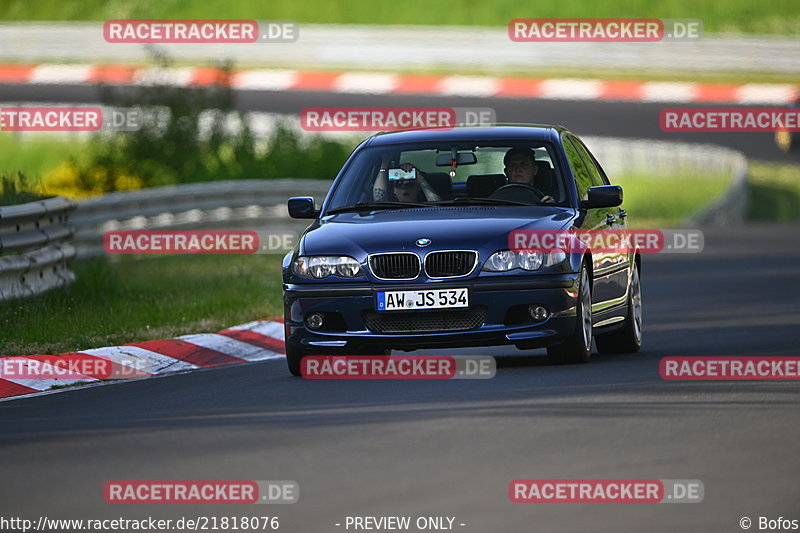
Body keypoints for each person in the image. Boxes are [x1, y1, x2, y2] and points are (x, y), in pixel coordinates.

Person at [373, 162, 441, 203]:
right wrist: (384, 165)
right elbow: (378, 199)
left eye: (410, 184)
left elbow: (438, 207)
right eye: (398, 184)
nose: (404, 187)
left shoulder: (428, 209)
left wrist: (421, 181)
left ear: (418, 188)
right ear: (394, 191)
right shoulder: (386, 211)